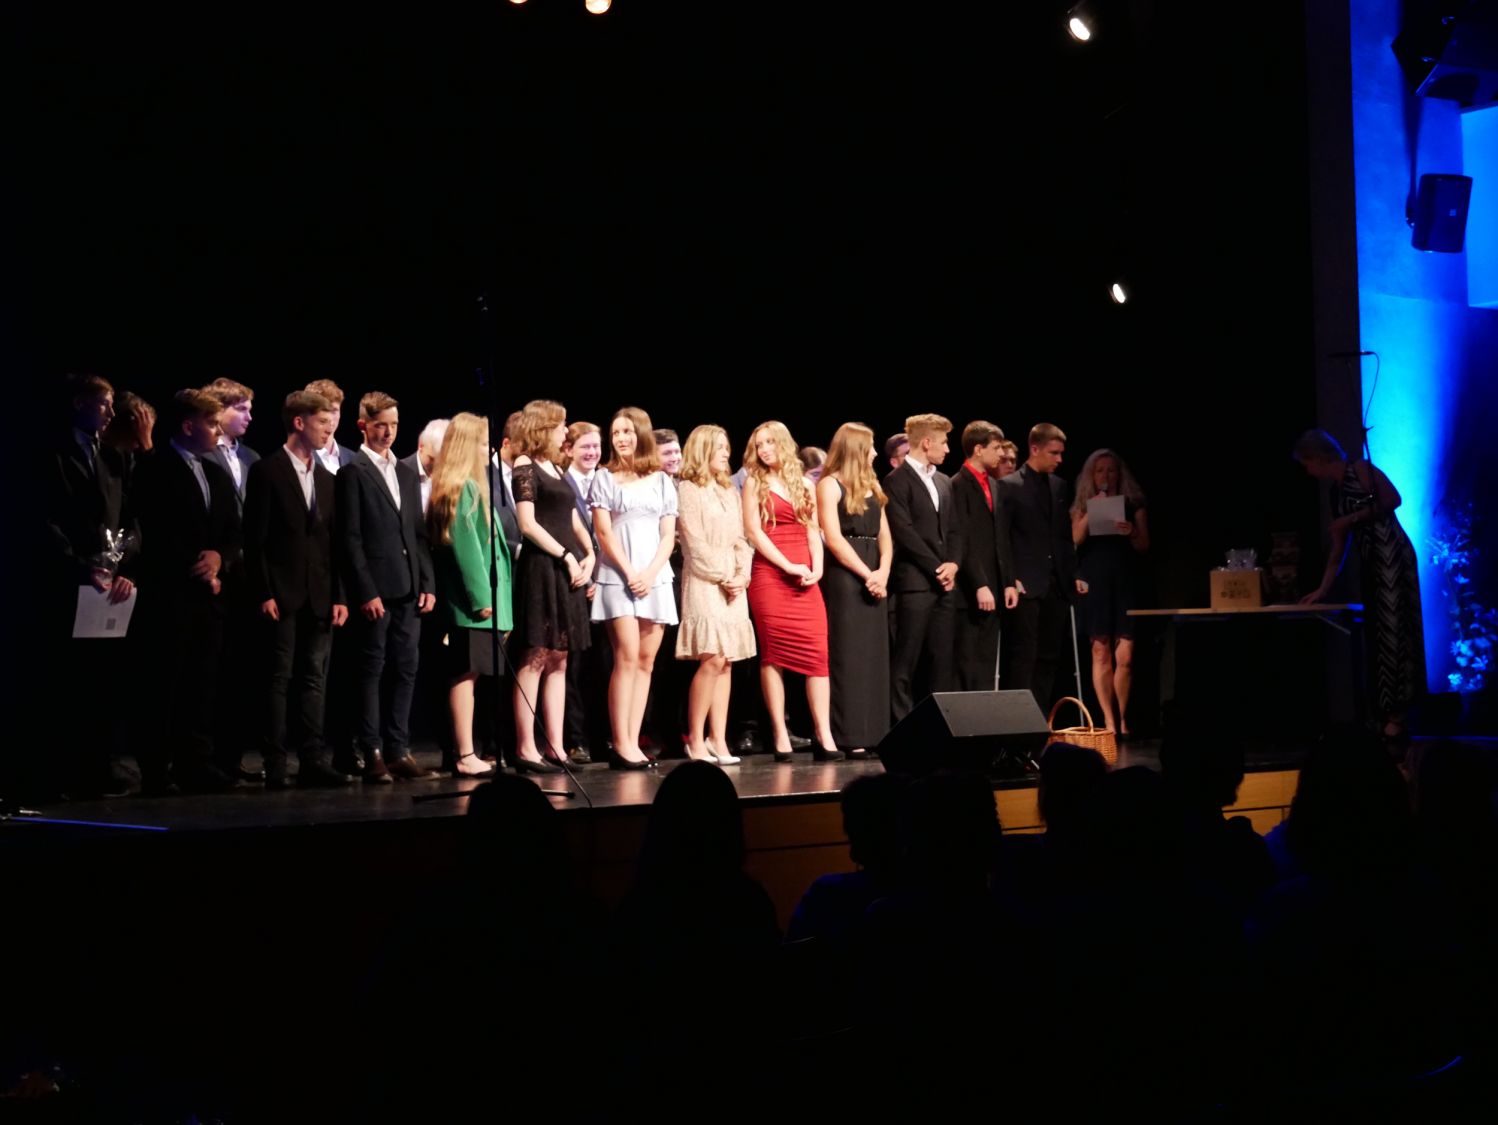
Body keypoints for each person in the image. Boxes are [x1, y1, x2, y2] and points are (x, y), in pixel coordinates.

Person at [132, 389, 242, 793]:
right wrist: (197, 567)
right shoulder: (155, 468)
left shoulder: (215, 472)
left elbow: (233, 530)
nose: (218, 431)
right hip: (170, 595)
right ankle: (156, 769)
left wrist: (219, 559)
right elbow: (155, 529)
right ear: (188, 426)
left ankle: (195, 762)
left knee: (202, 682)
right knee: (164, 683)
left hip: (209, 599)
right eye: (211, 424)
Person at [242, 389, 351, 788]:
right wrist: (264, 592)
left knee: (313, 679)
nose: (329, 428)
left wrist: (339, 595)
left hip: (319, 595)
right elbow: (254, 540)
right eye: (322, 421)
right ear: (299, 422)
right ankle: (275, 762)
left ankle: (312, 759)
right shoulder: (267, 471)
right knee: (278, 678)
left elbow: (334, 545)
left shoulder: (327, 478)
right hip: (282, 593)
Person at [335, 391, 438, 782]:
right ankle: (372, 749)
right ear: (363, 426)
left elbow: (417, 534)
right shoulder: (353, 472)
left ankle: (398, 749)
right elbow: (350, 539)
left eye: (393, 425)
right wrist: (365, 591)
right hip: (376, 591)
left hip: (408, 589)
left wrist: (426, 582)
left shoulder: (406, 473)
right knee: (371, 670)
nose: (388, 432)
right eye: (380, 425)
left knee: (406, 668)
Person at [1294, 429, 1424, 739]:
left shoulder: (1361, 469)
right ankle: (1385, 712)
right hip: (1372, 562)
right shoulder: (1335, 493)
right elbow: (1338, 548)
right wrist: (1323, 588)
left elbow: (1393, 499)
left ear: (1318, 458)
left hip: (1392, 556)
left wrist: (1352, 519)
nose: (1308, 472)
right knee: (1379, 633)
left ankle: (1397, 713)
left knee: (1395, 630)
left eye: (1307, 464)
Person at [742, 421, 842, 762]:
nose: (764, 450)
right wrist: (787, 565)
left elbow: (813, 530)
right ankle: (780, 734)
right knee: (774, 655)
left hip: (804, 576)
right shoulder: (754, 483)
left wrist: (818, 568)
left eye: (770, 442)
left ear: (783, 443)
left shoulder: (804, 484)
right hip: (770, 575)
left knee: (818, 654)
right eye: (759, 445)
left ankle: (823, 734)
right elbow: (754, 532)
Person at [510, 399, 595, 773]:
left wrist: (588, 552)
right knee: (536, 655)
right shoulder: (525, 464)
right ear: (543, 427)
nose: (566, 431)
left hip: (567, 569)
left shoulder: (556, 468)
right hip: (543, 568)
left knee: (560, 658)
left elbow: (571, 514)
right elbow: (527, 524)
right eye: (561, 425)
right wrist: (565, 555)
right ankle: (526, 747)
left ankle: (556, 746)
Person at [591, 407, 678, 768]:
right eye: (616, 433)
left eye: (627, 431)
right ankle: (621, 742)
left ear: (640, 434)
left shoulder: (661, 481)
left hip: (654, 577)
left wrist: (651, 572)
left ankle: (633, 740)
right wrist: (630, 573)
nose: (621, 438)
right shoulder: (604, 478)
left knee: (645, 661)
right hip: (618, 575)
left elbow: (668, 535)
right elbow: (604, 532)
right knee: (625, 656)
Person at [427, 412, 508, 778]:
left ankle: (466, 751)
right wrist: (482, 598)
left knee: (471, 676)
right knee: (465, 675)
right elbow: (468, 549)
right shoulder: (464, 490)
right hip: (471, 606)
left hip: (475, 604)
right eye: (483, 443)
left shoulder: (466, 487)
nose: (488, 450)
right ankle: (464, 753)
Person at [675, 425, 755, 764]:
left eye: (726, 447)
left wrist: (742, 575)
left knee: (727, 662)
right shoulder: (688, 489)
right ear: (703, 449)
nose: (726, 453)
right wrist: (724, 575)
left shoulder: (728, 490)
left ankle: (717, 739)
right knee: (713, 658)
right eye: (720, 447)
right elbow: (693, 544)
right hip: (706, 581)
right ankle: (695, 739)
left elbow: (742, 539)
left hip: (733, 582)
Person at [816, 422, 892, 757]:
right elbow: (833, 539)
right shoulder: (829, 485)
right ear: (856, 449)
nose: (875, 452)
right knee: (849, 655)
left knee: (874, 655)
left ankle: (875, 732)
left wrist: (883, 572)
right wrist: (867, 575)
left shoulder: (873, 484)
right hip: (847, 575)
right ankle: (849, 734)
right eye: (871, 446)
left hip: (875, 571)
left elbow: (885, 535)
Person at [998, 423, 1085, 712]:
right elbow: (1002, 539)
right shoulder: (1009, 486)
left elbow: (1063, 537)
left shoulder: (1059, 486)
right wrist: (1010, 578)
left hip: (1055, 584)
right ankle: (1018, 722)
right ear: (1035, 449)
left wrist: (1074, 574)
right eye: (1053, 453)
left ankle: (1040, 720)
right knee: (1024, 656)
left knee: (1049, 657)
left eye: (1061, 453)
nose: (1059, 459)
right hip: (1026, 584)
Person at [883, 413, 964, 722]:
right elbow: (904, 532)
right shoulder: (896, 481)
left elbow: (955, 528)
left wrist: (953, 564)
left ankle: (939, 726)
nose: (947, 449)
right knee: (906, 660)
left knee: (941, 661)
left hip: (945, 585)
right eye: (944, 442)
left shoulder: (943, 481)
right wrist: (937, 568)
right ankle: (903, 726)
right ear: (927, 442)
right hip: (915, 584)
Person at [1070, 448, 1149, 735]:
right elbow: (1075, 539)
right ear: (1092, 475)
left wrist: (1131, 532)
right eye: (1100, 470)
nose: (1106, 475)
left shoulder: (1133, 504)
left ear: (1119, 473)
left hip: (1125, 579)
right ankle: (1109, 721)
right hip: (1095, 580)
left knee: (1125, 654)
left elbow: (1144, 545)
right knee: (1100, 650)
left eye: (1111, 470)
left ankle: (1123, 717)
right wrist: (1092, 510)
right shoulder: (1083, 504)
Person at [951, 420, 1020, 692]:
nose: (1001, 454)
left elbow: (1001, 538)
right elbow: (963, 539)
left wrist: (1008, 581)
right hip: (971, 590)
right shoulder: (958, 484)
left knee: (987, 660)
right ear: (978, 449)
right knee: (967, 660)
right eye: (996, 448)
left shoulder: (993, 484)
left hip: (995, 585)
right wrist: (979, 584)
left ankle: (984, 714)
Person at [561, 421, 608, 765]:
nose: (592, 453)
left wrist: (604, 578)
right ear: (569, 450)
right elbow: (564, 533)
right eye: (585, 447)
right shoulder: (561, 483)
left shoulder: (607, 480)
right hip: (576, 582)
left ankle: (603, 737)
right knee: (574, 667)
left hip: (610, 585)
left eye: (596, 446)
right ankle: (576, 740)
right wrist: (588, 577)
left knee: (604, 666)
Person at [202, 377, 260, 508]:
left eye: (249, 410)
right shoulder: (201, 452)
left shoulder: (252, 457)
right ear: (219, 409)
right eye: (242, 409)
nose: (249, 417)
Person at [401, 417, 449, 515]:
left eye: (442, 461)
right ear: (421, 446)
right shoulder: (399, 472)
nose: (436, 465)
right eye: (431, 459)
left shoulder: (451, 474)